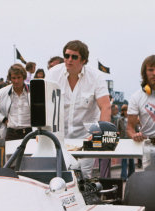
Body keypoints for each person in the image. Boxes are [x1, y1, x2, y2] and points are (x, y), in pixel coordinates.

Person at [46, 40, 111, 179]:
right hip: (59, 138)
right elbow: (44, 104)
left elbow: (105, 106)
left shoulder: (96, 77)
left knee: (84, 177)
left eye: (74, 57)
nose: (69, 60)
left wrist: (99, 134)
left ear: (84, 60)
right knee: (58, 176)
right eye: (66, 55)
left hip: (86, 138)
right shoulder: (52, 74)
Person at [0, 64, 31, 141]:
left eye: (19, 77)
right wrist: (3, 119)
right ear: (10, 78)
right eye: (13, 78)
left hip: (30, 132)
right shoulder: (3, 92)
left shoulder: (33, 91)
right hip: (12, 133)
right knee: (10, 153)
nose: (16, 81)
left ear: (23, 77)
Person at [119, 103, 135, 180]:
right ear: (123, 111)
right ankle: (123, 176)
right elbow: (117, 131)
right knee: (124, 159)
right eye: (125, 110)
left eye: (127, 110)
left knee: (131, 159)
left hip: (131, 141)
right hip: (123, 141)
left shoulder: (132, 119)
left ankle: (132, 176)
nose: (126, 112)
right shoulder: (120, 120)